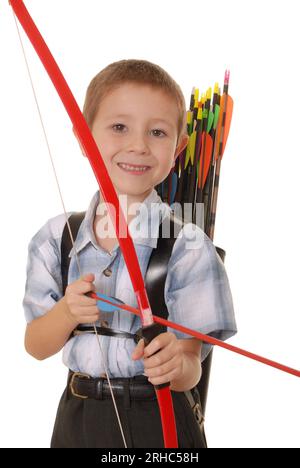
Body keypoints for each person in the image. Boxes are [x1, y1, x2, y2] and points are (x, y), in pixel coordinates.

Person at [23, 59, 237, 448]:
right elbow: (36, 344)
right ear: (83, 137)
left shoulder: (189, 247)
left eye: (157, 132)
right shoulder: (57, 237)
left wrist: (177, 364)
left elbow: (191, 367)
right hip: (77, 417)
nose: (138, 145)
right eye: (119, 127)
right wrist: (67, 313)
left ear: (179, 148)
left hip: (159, 418)